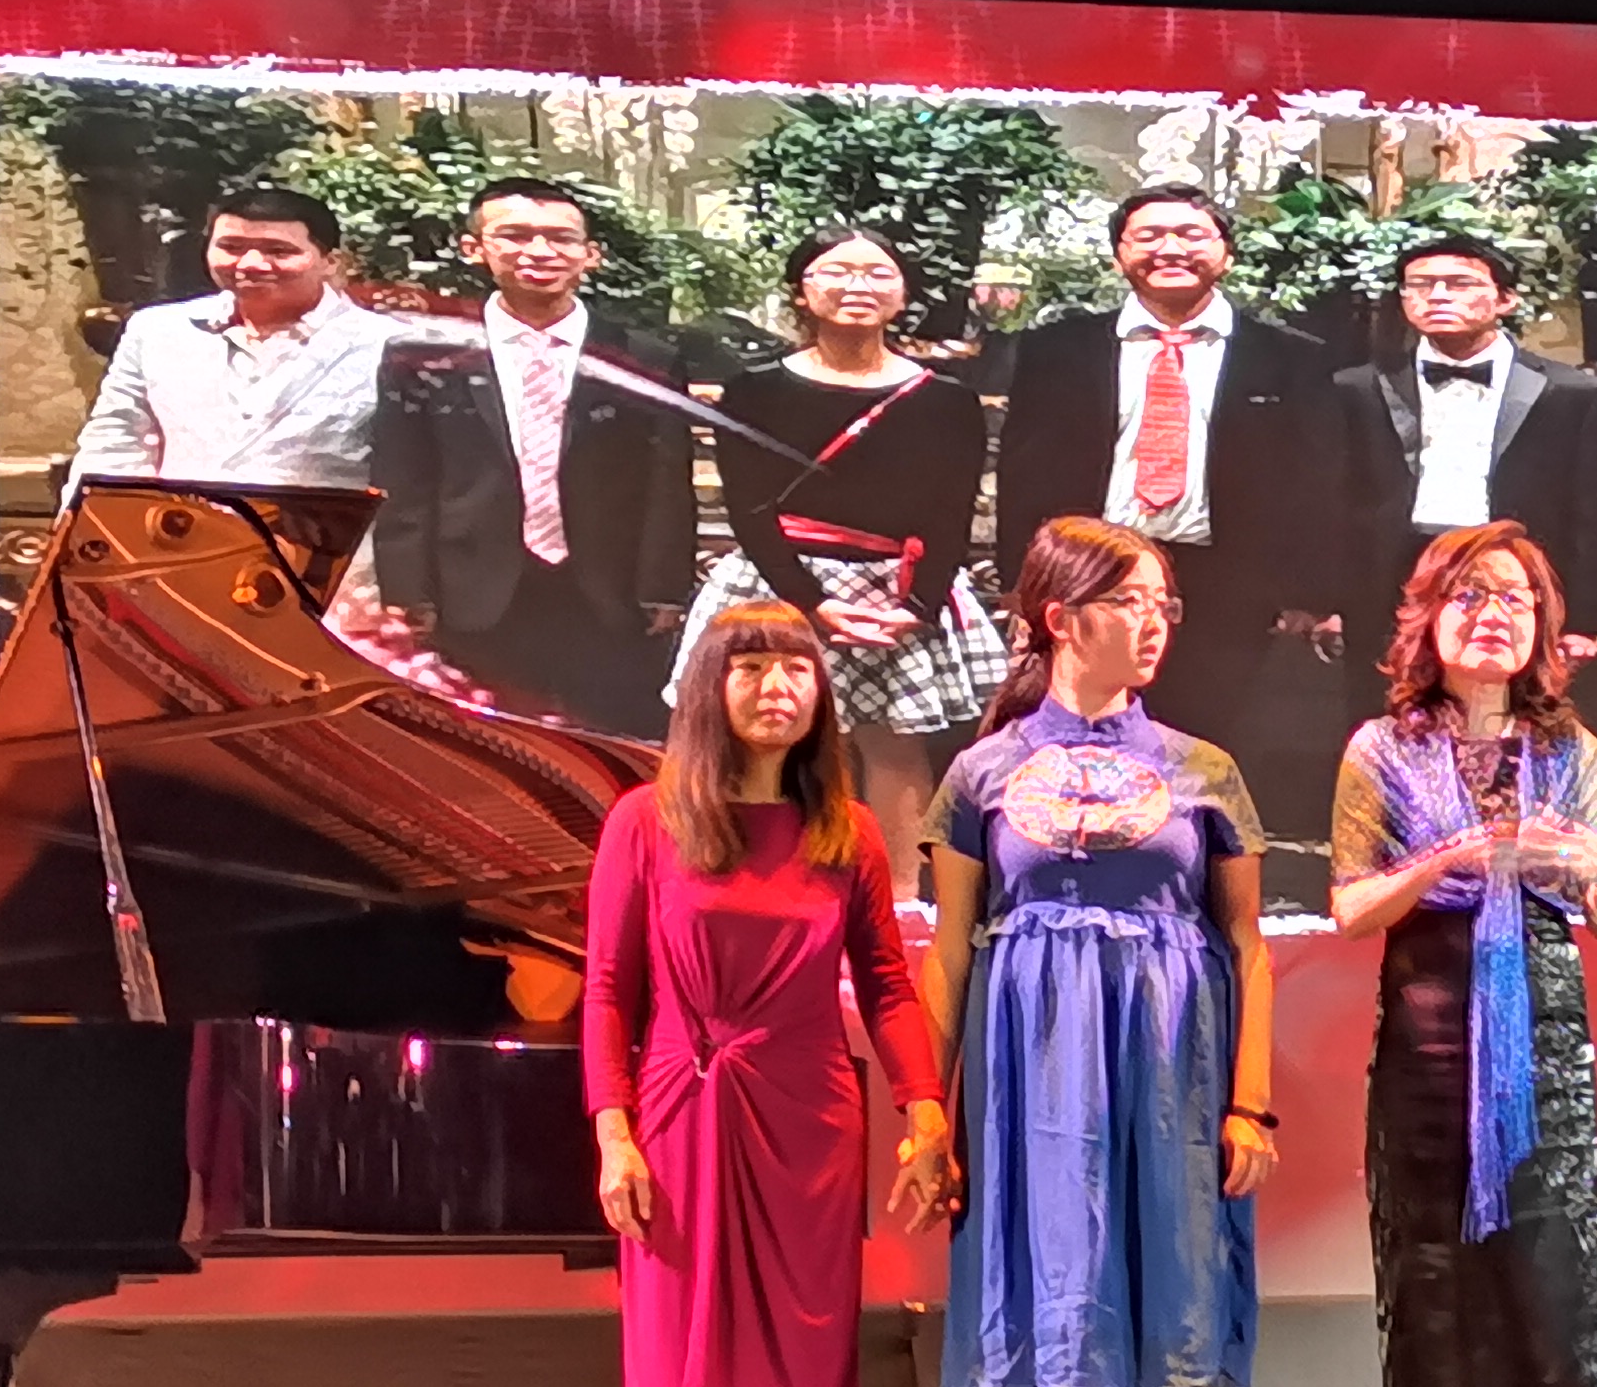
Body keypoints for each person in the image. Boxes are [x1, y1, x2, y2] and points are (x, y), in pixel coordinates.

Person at [921, 517, 1278, 1387]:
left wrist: (1251, 1103)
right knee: (1040, 1336)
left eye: (1165, 602)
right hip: (1030, 1080)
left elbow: (1248, 944)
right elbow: (950, 951)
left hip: (1170, 1073)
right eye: (1132, 600)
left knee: (1166, 1333)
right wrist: (929, 1110)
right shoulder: (981, 772)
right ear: (1062, 617)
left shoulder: (1203, 767)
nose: (1157, 621)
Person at [584, 602, 952, 1387]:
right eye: (749, 668)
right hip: (678, 1119)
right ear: (708, 687)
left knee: (798, 1378)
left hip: (809, 1126)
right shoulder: (643, 822)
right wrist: (614, 1136)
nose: (776, 687)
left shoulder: (849, 830)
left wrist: (925, 1110)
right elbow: (609, 992)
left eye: (795, 669)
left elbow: (887, 987)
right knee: (682, 1384)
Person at [1331, 523, 1597, 1387]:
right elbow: (1351, 906)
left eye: (1514, 597)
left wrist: (1586, 865)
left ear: (1542, 626)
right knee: (1439, 1309)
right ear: (1429, 620)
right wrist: (1447, 863)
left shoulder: (1573, 753)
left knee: (1543, 1304)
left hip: (1544, 1048)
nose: (1493, 613)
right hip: (1428, 1046)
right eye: (1469, 595)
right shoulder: (1380, 749)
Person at [675, 226, 1005, 891]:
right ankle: (758, 889)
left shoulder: (945, 400)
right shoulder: (755, 391)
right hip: (778, 581)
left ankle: (900, 902)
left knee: (895, 746)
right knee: (761, 735)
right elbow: (751, 509)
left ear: (902, 294)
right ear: (802, 291)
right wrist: (810, 602)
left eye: (878, 274)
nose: (858, 286)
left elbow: (951, 511)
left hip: (897, 589)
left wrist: (918, 605)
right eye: (836, 272)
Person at [989, 184, 1347, 772]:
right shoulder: (1058, 349)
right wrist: (1019, 576)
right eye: (1149, 236)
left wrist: (1309, 591)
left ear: (1226, 253)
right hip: (1089, 571)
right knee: (1078, 727)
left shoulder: (1294, 356)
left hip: (1228, 581)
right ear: (1119, 254)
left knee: (1206, 743)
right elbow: (1025, 465)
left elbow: (1316, 475)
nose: (1171, 248)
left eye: (1191, 234)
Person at [371, 178, 697, 734]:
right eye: (515, 235)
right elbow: (405, 476)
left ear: (590, 255)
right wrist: (406, 588)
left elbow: (667, 479)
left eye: (561, 238)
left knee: (619, 741)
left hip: (611, 591)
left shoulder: (643, 355)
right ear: (474, 248)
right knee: (484, 744)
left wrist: (665, 588)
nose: (540, 252)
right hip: (469, 584)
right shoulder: (424, 353)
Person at [1337, 235, 1597, 679]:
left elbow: (1593, 517)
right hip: (1391, 582)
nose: (1438, 296)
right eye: (1420, 285)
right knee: (1385, 707)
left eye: (1460, 283)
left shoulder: (1575, 394)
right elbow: (1333, 500)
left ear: (1506, 299)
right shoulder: (1356, 387)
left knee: (1515, 707)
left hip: (1518, 575)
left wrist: (1583, 620)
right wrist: (1326, 602)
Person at [64, 186, 392, 495]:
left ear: (331, 262)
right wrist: (101, 525)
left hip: (327, 534)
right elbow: (116, 439)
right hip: (180, 530)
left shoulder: (388, 345)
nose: (250, 264)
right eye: (231, 247)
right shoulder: (157, 330)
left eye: (279, 251)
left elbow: (411, 478)